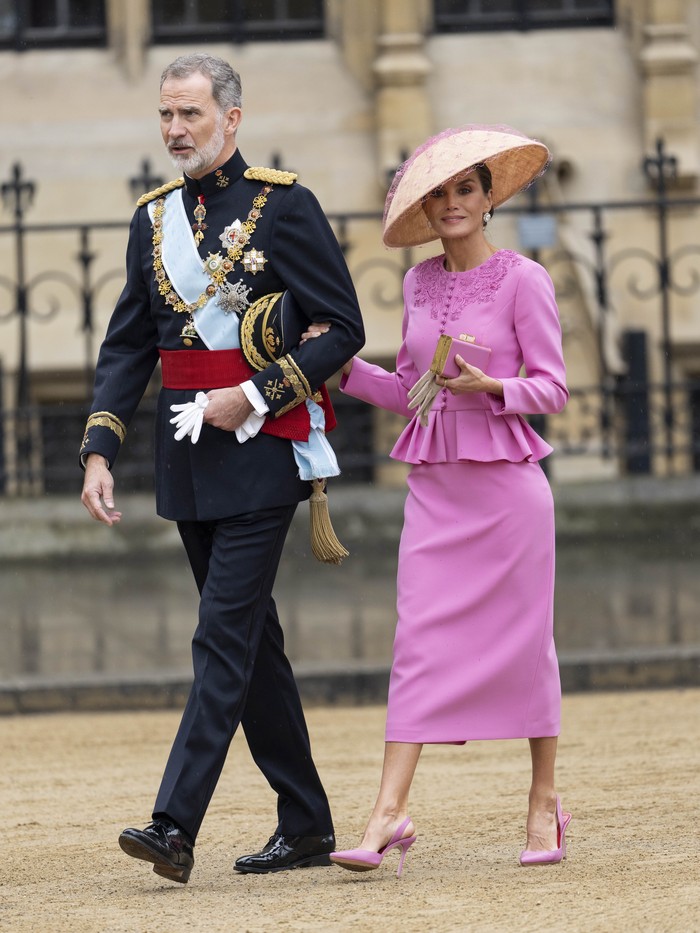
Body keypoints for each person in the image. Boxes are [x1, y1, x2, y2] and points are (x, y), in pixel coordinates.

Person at [79, 52, 364, 883]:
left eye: (190, 116)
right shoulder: (153, 218)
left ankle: (174, 823)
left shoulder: (287, 207)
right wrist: (100, 445)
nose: (175, 131)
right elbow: (129, 343)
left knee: (219, 638)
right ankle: (306, 821)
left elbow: (342, 325)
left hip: (262, 453)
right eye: (165, 116)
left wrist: (263, 393)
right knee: (251, 645)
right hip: (187, 460)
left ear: (231, 119)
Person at [308, 125, 570, 876]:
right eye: (441, 192)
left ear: (489, 199)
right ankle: (388, 813)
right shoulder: (418, 283)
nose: (453, 202)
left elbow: (553, 387)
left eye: (466, 188)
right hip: (435, 491)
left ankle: (544, 801)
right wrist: (341, 365)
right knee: (416, 642)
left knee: (527, 645)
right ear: (427, 207)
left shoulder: (526, 279)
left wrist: (494, 387)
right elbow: (411, 392)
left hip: (509, 493)